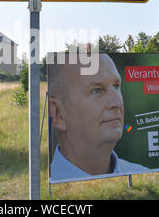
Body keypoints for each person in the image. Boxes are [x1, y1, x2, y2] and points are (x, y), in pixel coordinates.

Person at [48, 53, 149, 181]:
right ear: (58, 113)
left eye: (116, 86)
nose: (117, 103)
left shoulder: (145, 178)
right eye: (97, 90)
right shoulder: (42, 190)